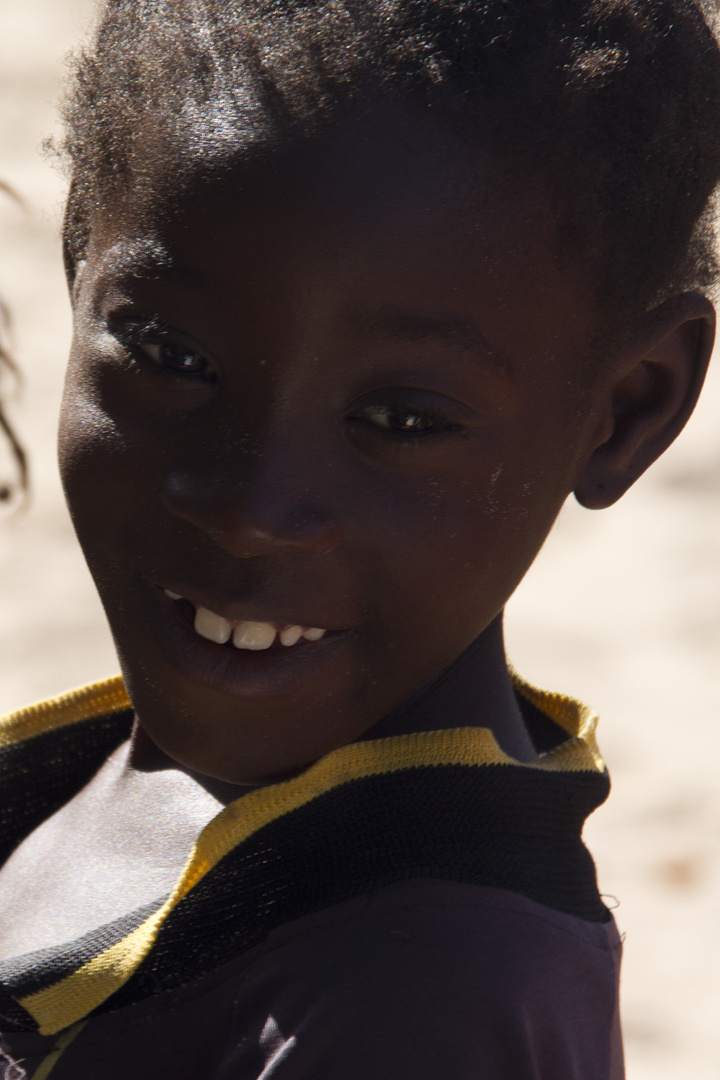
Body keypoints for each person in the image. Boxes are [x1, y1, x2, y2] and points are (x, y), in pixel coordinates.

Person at [1, 0, 719, 1076]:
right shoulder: (93, 779)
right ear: (77, 257)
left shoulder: (423, 1006)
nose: (249, 510)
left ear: (626, 408)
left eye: (401, 422)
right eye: (169, 353)